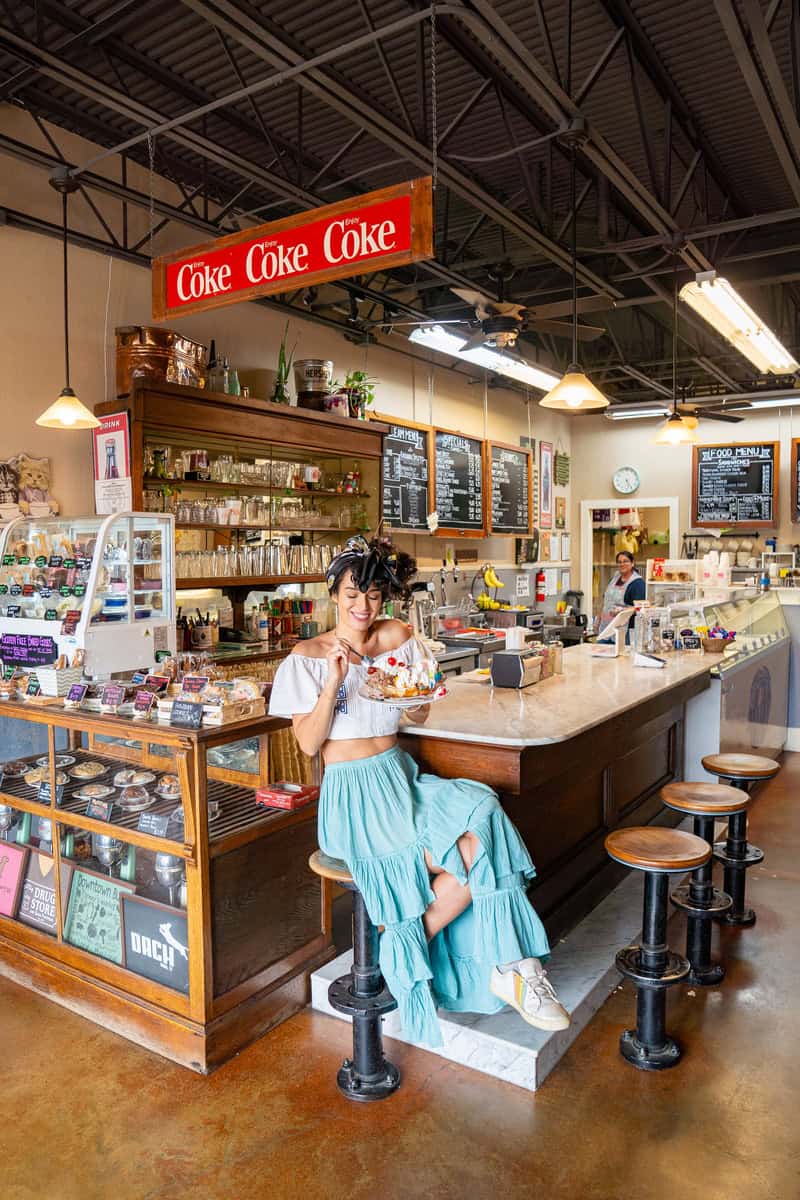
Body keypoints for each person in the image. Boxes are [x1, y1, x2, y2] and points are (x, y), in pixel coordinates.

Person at [269, 535, 569, 1047]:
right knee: (471, 852)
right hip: (352, 798)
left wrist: (418, 695)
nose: (363, 606)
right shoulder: (308, 656)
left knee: (484, 817)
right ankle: (465, 958)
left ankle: (501, 963)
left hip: (399, 778)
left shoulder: (397, 637)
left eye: (373, 596)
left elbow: (418, 711)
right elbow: (308, 741)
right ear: (333, 594)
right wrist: (334, 682)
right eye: (351, 594)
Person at [597, 550, 646, 642]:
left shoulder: (637, 584)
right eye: (619, 562)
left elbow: (640, 608)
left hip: (624, 631)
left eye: (625, 561)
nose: (622, 564)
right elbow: (606, 600)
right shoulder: (615, 578)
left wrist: (622, 611)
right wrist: (598, 620)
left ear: (632, 563)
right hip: (606, 628)